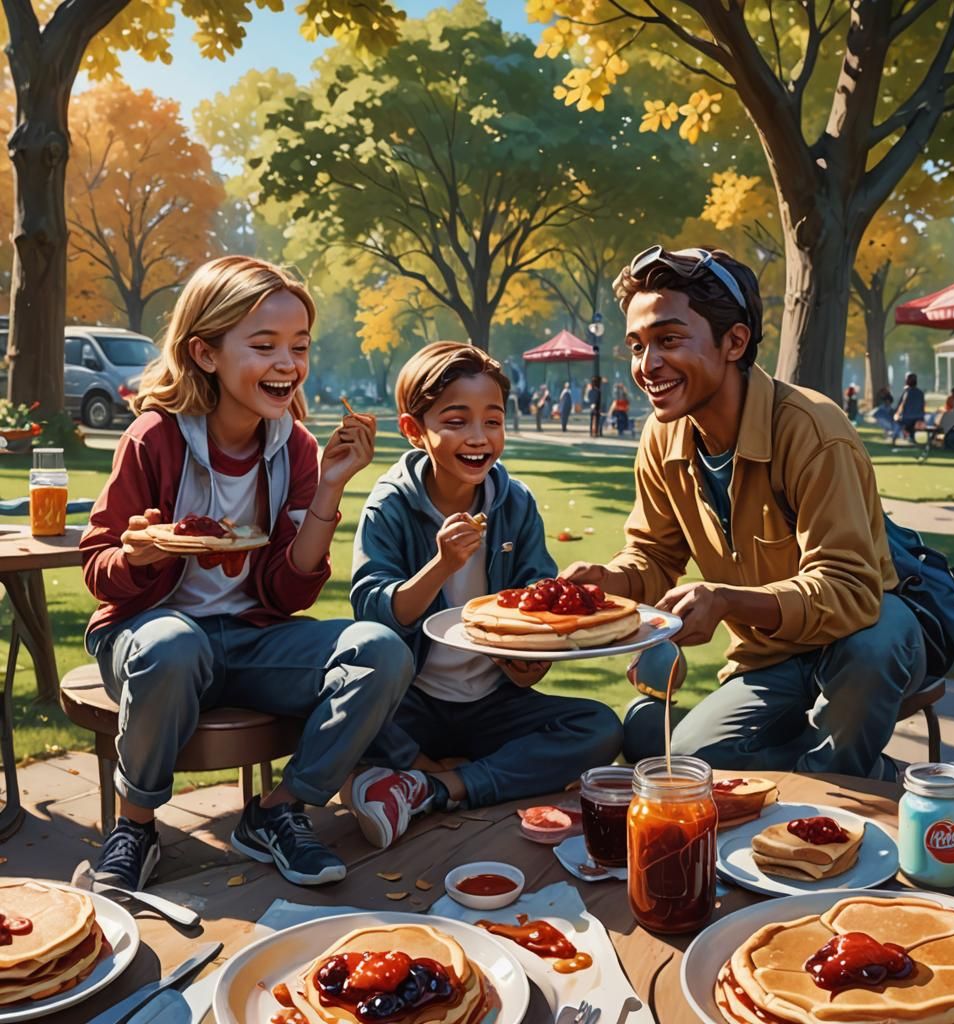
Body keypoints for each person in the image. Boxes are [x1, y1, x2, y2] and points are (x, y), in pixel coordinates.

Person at [80, 255, 414, 890]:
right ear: (205, 353)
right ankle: (135, 826)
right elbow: (99, 569)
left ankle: (279, 811)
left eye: (299, 346)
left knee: (381, 649)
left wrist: (330, 488)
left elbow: (289, 593)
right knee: (173, 642)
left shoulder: (298, 448)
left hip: (253, 639)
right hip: (151, 641)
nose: (287, 363)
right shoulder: (154, 437)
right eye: (264, 346)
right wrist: (139, 556)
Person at [563, 245, 925, 781]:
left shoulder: (812, 429)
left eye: (668, 340)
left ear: (734, 341)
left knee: (875, 641)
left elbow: (850, 590)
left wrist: (728, 600)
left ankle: (839, 782)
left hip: (865, 637)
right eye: (637, 346)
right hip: (768, 655)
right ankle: (862, 775)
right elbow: (654, 554)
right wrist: (608, 581)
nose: (646, 365)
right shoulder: (661, 436)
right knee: (695, 764)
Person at [348, 342, 622, 849]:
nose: (479, 437)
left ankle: (434, 785)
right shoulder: (389, 505)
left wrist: (531, 662)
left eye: (492, 421)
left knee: (600, 727)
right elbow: (374, 612)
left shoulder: (515, 503)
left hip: (493, 702)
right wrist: (441, 566)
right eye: (456, 421)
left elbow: (537, 606)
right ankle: (445, 772)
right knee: (340, 706)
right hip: (411, 703)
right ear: (413, 429)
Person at [893, 372, 926, 443]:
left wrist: (896, 414)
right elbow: (922, 406)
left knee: (896, 420)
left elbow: (900, 406)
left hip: (907, 418)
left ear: (907, 381)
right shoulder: (920, 393)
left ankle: (898, 436)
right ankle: (910, 437)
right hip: (919, 418)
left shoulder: (906, 392)